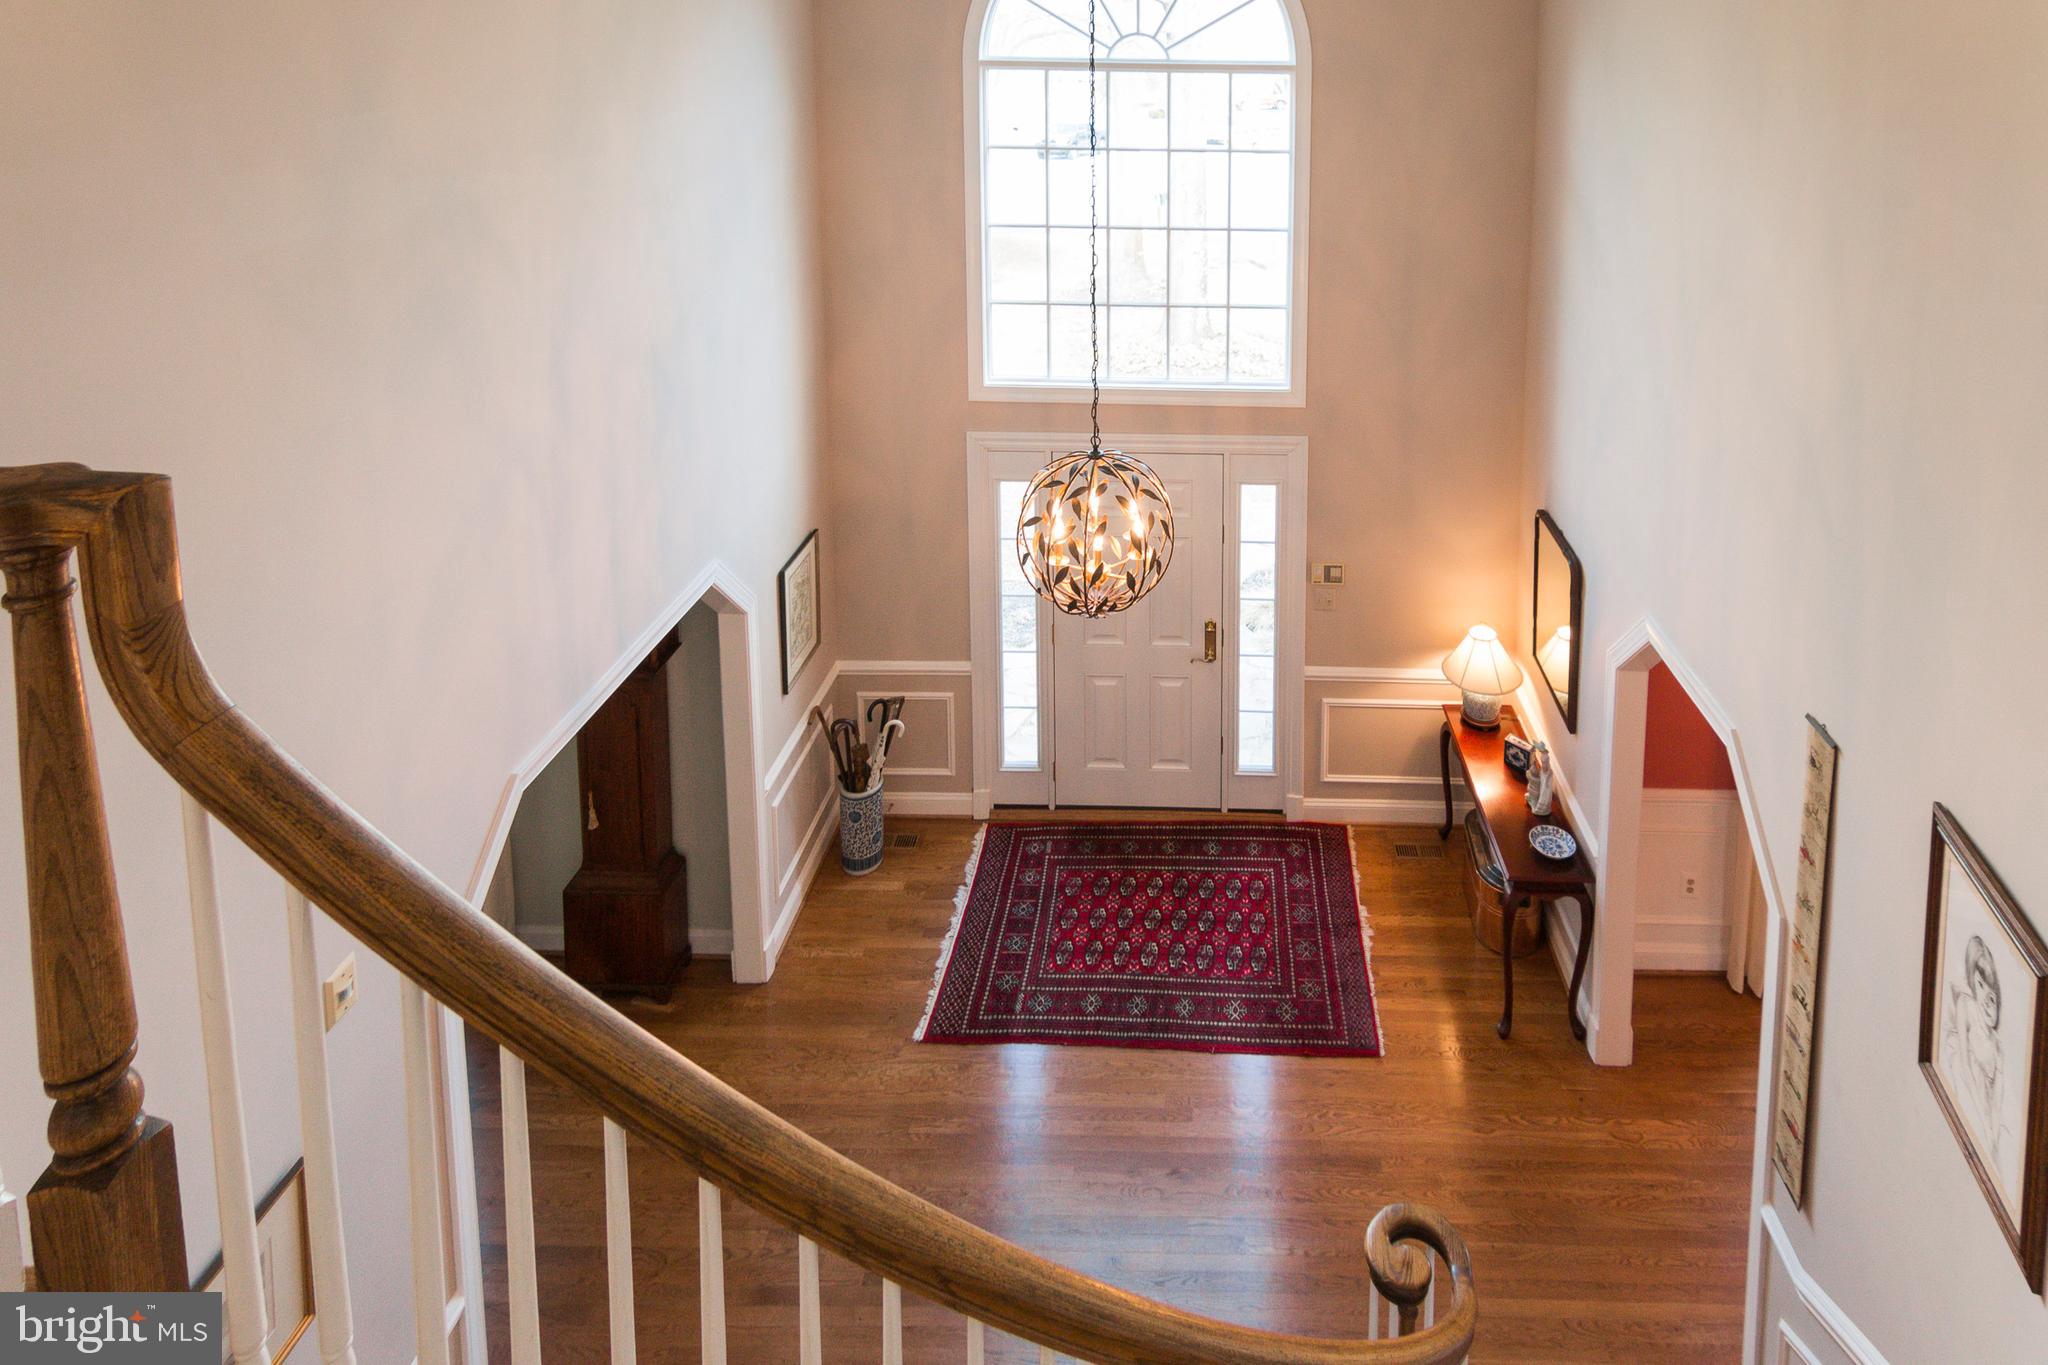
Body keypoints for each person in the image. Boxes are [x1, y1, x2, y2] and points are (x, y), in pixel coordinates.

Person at [1945, 935, 2010, 1171]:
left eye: (1988, 985)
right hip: (1974, 1083)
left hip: (1991, 1081)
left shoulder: (1995, 1038)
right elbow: (1963, 1063)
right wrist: (1982, 1116)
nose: (1984, 993)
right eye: (1979, 984)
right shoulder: (1965, 1005)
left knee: (1997, 1144)